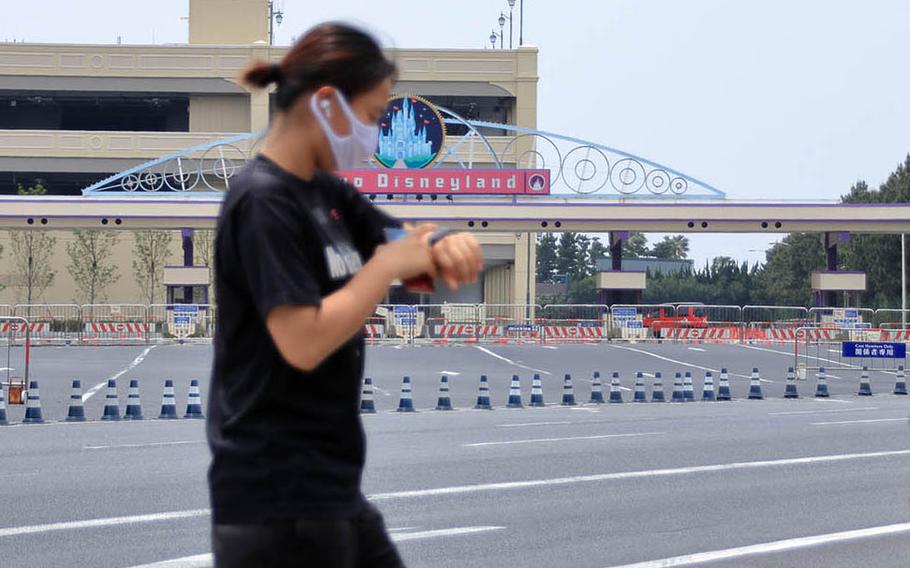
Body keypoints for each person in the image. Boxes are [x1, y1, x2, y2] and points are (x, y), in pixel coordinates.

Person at [206, 22, 483, 568]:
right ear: (328, 104)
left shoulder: (327, 194)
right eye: (375, 117)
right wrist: (384, 269)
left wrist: (447, 244)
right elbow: (302, 340)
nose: (377, 137)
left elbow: (404, 242)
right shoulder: (263, 202)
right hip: (274, 502)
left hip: (328, 491)